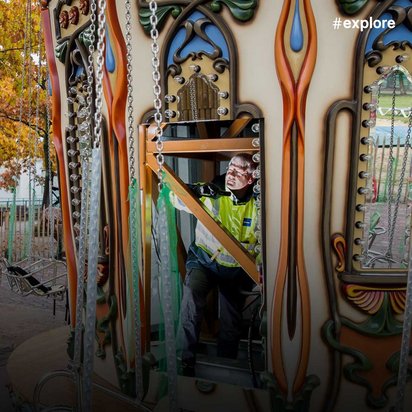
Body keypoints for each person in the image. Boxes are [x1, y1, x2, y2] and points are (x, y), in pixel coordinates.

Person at [171, 153, 259, 376]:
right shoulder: (212, 192)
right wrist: (194, 191)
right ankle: (184, 360)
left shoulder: (258, 205)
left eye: (238, 171)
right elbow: (175, 198)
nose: (231, 173)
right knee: (191, 302)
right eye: (230, 168)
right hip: (204, 261)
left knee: (231, 320)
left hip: (237, 271)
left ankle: (226, 365)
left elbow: (265, 242)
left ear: (251, 179)